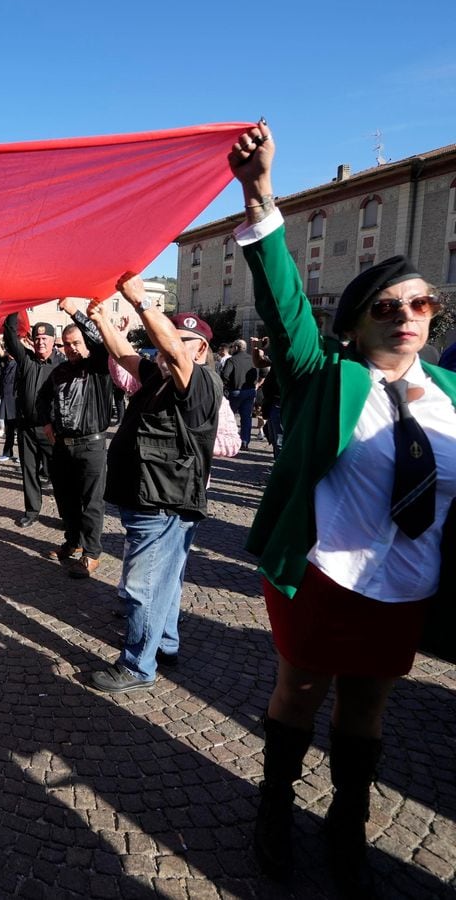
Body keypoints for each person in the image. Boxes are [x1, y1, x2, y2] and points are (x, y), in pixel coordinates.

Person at [229, 123, 456, 896]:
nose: (407, 313)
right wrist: (260, 195)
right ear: (356, 321)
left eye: (421, 301)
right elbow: (284, 300)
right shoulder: (326, 377)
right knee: (299, 690)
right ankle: (274, 805)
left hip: (410, 583)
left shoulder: (455, 399)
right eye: (387, 304)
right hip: (327, 573)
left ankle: (350, 821)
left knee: (368, 707)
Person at [86, 282, 221, 694]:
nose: (168, 348)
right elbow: (123, 353)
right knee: (165, 580)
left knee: (142, 585)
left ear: (199, 350)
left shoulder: (199, 383)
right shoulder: (159, 376)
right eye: (168, 339)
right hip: (153, 498)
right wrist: (99, 319)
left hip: (162, 502)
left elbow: (174, 353)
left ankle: (137, 666)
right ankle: (164, 643)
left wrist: (141, 301)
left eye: (182, 342)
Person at [40, 298, 113, 578]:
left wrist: (75, 312)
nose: (71, 348)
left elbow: (100, 342)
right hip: (63, 447)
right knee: (65, 499)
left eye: (76, 342)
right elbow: (42, 398)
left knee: (91, 501)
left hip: (91, 445)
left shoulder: (97, 367)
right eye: (67, 344)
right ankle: (72, 541)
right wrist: (46, 423)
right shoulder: (59, 371)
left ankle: (91, 553)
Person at [2, 314, 64, 527]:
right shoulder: (26, 359)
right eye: (37, 338)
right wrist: (14, 310)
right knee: (29, 470)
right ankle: (32, 510)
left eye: (45, 338)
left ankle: (66, 514)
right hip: (27, 427)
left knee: (59, 474)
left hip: (51, 430)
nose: (40, 342)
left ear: (53, 341)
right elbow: (10, 338)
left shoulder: (62, 365)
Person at [221, 339, 258, 450]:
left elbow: (225, 376)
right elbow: (255, 374)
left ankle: (229, 440)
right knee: (247, 418)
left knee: (229, 416)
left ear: (236, 348)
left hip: (235, 391)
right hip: (250, 391)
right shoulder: (252, 359)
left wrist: (227, 386)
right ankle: (245, 441)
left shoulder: (232, 360)